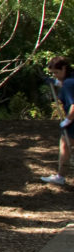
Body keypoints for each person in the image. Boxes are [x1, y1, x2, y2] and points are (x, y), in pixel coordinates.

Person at [40, 55, 74, 185]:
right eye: (53, 73)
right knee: (65, 145)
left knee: (65, 146)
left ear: (64, 68)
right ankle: (60, 176)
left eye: (57, 72)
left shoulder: (70, 83)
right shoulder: (70, 79)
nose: (55, 75)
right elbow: (66, 84)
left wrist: (67, 120)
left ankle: (60, 177)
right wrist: (56, 83)